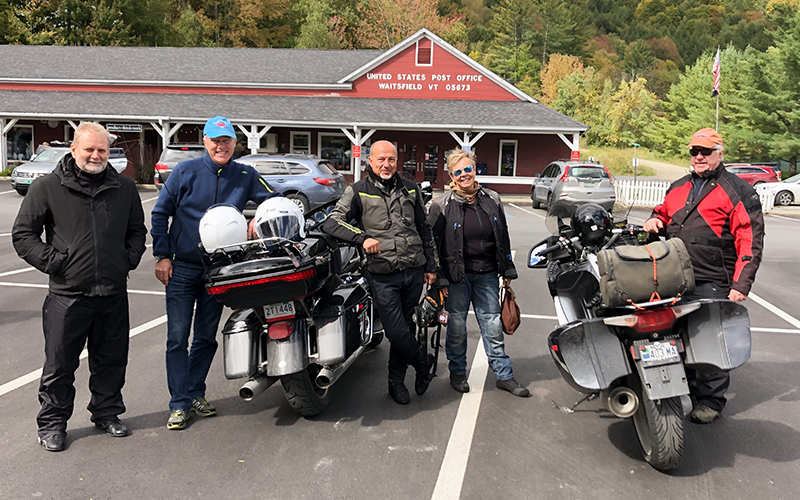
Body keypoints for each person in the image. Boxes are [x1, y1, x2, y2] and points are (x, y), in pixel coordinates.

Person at [12, 122, 147, 452]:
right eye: (89, 149)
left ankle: (107, 412)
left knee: (112, 360)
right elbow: (23, 235)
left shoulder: (124, 188)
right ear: (74, 150)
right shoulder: (47, 187)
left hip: (113, 293)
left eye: (102, 150)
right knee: (60, 365)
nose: (96, 155)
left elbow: (137, 232)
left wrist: (125, 259)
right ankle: (53, 424)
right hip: (68, 295)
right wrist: (55, 262)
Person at [151, 116, 279, 430]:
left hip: (219, 271)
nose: (221, 146)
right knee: (177, 338)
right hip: (181, 269)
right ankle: (179, 403)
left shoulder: (245, 174)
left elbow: (275, 199)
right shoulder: (185, 172)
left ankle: (195, 392)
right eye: (216, 140)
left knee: (206, 338)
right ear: (205, 142)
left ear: (235, 143)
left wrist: (259, 216)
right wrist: (162, 256)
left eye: (227, 141)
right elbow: (160, 213)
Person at [644, 127, 764, 424]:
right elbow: (662, 212)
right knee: (676, 336)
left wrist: (741, 284)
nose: (698, 157)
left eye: (705, 151)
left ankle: (710, 400)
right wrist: (654, 220)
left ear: (719, 154)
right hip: (673, 275)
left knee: (709, 340)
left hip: (712, 280)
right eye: (694, 152)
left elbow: (749, 240)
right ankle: (683, 388)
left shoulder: (738, 190)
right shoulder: (678, 186)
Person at [323, 140, 437, 405]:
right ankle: (422, 364)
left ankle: (395, 383)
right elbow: (332, 222)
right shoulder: (358, 191)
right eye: (381, 160)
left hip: (413, 268)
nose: (386, 165)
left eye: (392, 160)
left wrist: (432, 266)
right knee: (396, 330)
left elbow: (424, 228)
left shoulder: (411, 188)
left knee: (406, 324)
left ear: (398, 162)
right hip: (382, 273)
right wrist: (362, 238)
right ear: (370, 162)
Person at [428, 149, 529, 397]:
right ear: (451, 176)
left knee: (492, 326)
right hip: (456, 277)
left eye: (468, 169)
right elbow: (433, 245)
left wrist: (507, 268)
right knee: (457, 327)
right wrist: (439, 278)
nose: (464, 175)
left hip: (487, 275)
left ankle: (504, 376)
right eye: (458, 172)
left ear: (475, 170)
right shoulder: (441, 205)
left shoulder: (492, 198)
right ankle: (458, 373)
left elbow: (502, 235)